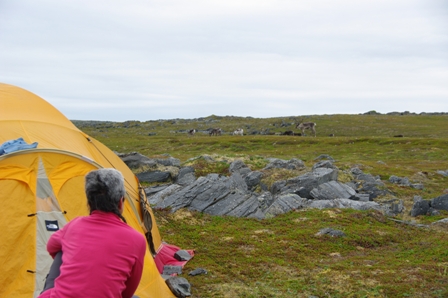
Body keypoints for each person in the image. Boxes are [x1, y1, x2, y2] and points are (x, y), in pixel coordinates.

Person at [39, 168, 147, 298]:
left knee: (61, 249)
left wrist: (74, 258)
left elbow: (51, 246)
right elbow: (127, 292)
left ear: (89, 203)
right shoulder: (137, 239)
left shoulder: (74, 225)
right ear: (120, 202)